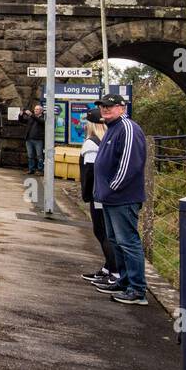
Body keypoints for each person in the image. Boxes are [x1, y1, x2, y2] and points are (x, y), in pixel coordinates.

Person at [90, 94, 149, 305]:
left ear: (122, 108)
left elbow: (129, 164)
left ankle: (137, 289)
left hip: (122, 197)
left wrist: (112, 188)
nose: (105, 109)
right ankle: (124, 281)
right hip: (109, 197)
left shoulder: (128, 128)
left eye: (110, 106)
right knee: (116, 240)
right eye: (102, 106)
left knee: (128, 241)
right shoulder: (112, 127)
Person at [77, 109, 120, 287]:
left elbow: (90, 173)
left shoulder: (90, 144)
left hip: (98, 194)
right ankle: (109, 267)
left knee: (102, 231)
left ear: (91, 124)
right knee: (108, 231)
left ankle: (115, 271)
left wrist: (87, 194)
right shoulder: (107, 140)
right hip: (109, 193)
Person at [19, 103, 46, 174]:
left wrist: (31, 115)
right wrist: (21, 115)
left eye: (37, 109)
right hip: (29, 139)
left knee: (39, 155)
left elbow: (40, 121)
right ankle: (31, 169)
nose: (35, 110)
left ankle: (41, 170)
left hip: (38, 140)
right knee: (30, 155)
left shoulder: (42, 118)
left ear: (41, 111)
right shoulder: (31, 118)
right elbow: (22, 121)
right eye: (35, 109)